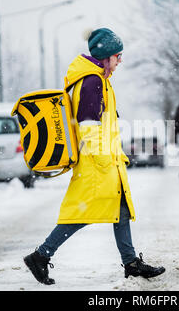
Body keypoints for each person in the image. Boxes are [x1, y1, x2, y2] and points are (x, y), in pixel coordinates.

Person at [23, 28, 165, 285]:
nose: (119, 61)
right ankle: (41, 255)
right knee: (82, 213)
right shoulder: (92, 81)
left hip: (103, 160)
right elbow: (88, 124)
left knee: (118, 209)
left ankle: (131, 263)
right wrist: (103, 159)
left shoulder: (96, 78)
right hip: (97, 162)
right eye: (117, 56)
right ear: (106, 56)